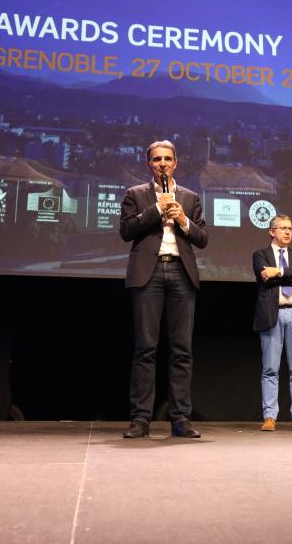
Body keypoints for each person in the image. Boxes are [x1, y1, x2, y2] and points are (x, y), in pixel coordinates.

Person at [120, 141, 209, 439]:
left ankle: (181, 419)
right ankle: (140, 419)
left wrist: (183, 220)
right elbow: (127, 231)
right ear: (148, 163)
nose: (162, 163)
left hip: (181, 274)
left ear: (175, 163)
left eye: (167, 159)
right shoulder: (135, 194)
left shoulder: (190, 197)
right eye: (157, 159)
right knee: (145, 349)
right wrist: (157, 208)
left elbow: (202, 238)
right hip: (150, 273)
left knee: (182, 350)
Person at [252, 215, 292, 432]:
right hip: (272, 314)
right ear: (272, 231)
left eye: (290, 228)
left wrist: (278, 271)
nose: (287, 232)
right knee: (270, 368)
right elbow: (263, 276)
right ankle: (270, 416)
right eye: (283, 228)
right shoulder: (261, 255)